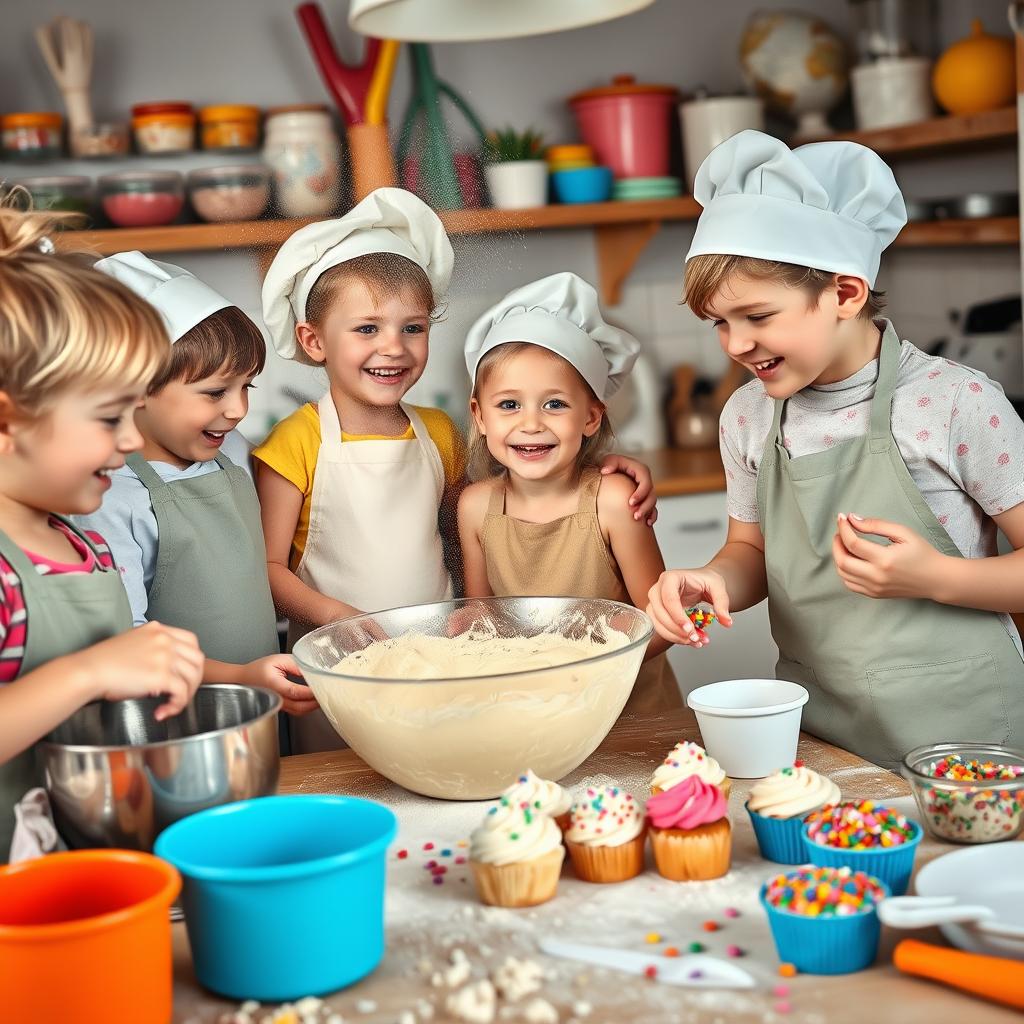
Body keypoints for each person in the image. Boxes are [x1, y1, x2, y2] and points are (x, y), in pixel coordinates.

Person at [646, 130, 1024, 768]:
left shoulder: (954, 404)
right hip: (822, 734)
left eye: (758, 317)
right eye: (719, 322)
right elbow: (751, 551)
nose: (735, 344)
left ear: (845, 295)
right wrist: (712, 580)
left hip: (967, 737)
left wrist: (937, 576)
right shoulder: (747, 415)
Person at [255, 188, 659, 751]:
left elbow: (478, 528)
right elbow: (268, 566)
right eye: (367, 329)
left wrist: (605, 466)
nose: (393, 348)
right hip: (342, 667)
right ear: (313, 339)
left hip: (441, 664)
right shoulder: (294, 442)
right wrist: (336, 619)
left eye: (413, 328)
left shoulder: (440, 432)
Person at [0, 208, 203, 857]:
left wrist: (150, 662)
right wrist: (89, 671)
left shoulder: (76, 541)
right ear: (9, 421)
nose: (132, 441)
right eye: (110, 417)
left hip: (87, 863)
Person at [79, 253, 316, 721]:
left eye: (246, 386)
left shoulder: (232, 452)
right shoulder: (109, 496)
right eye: (215, 392)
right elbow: (126, 641)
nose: (238, 410)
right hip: (179, 726)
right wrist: (243, 676)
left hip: (266, 701)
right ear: (134, 388)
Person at [459, 272, 680, 713]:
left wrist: (585, 673)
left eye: (555, 403)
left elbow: (664, 620)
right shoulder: (476, 507)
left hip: (627, 711)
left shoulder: (614, 502)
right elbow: (481, 616)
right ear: (480, 416)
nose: (531, 423)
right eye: (508, 404)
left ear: (591, 417)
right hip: (533, 711)